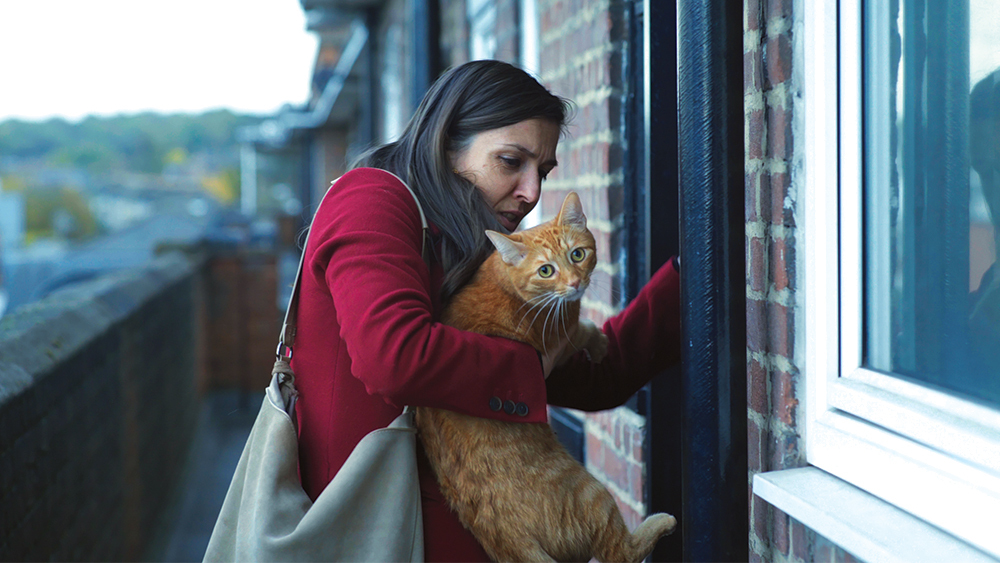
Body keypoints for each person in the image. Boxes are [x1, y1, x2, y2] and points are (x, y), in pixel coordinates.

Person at [290, 59, 681, 562]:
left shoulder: (469, 248)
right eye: (510, 161)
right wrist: (533, 364)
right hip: (370, 539)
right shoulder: (371, 198)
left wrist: (693, 269)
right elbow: (394, 357)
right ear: (447, 142)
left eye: (542, 172)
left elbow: (589, 376)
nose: (532, 192)